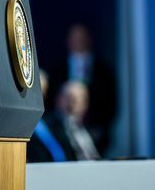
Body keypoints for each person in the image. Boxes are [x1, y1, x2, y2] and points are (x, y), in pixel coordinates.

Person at [50, 23, 116, 154]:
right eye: (74, 38)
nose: (78, 42)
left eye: (82, 38)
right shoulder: (58, 69)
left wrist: (98, 128)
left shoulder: (103, 70)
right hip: (64, 133)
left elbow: (112, 103)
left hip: (96, 133)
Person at [47, 81, 100, 161]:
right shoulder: (46, 129)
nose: (71, 104)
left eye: (77, 99)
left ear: (85, 104)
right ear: (57, 99)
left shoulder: (90, 129)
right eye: (68, 98)